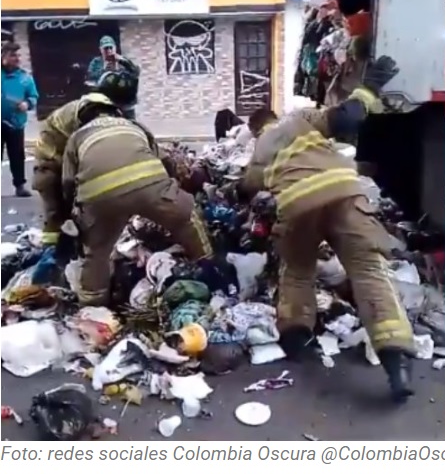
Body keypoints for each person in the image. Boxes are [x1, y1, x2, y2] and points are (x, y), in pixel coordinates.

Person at [241, 56, 415, 403]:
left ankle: (295, 342)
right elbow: (347, 117)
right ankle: (396, 367)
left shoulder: (259, 150)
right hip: (344, 194)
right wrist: (370, 87)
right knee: (368, 273)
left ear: (254, 130)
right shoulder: (299, 120)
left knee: (297, 272)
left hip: (297, 205)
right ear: (273, 118)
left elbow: (247, 188)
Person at [62, 100, 213, 307]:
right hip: (150, 189)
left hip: (101, 199)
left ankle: (93, 308)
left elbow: (68, 182)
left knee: (96, 253)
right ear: (116, 112)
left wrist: (76, 214)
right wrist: (172, 187)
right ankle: (209, 271)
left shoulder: (77, 137)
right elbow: (165, 159)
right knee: (187, 219)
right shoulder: (134, 126)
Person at [32, 93, 117, 247]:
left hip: (67, 157)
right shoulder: (70, 126)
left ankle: (78, 239)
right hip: (51, 161)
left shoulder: (99, 111)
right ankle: (52, 248)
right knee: (55, 209)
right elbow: (69, 177)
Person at [1, 42, 39, 197]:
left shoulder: (25, 78)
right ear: (3, 57)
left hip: (16, 123)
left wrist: (27, 104)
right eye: (12, 55)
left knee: (17, 155)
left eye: (18, 55)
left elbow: (34, 96)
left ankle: (20, 185)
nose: (16, 59)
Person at [86, 35, 140, 119]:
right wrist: (104, 69)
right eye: (106, 49)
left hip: (124, 101)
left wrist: (122, 61)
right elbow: (91, 77)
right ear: (101, 50)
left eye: (111, 48)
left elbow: (135, 72)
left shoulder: (123, 61)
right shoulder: (96, 62)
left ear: (115, 48)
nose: (109, 51)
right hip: (106, 101)